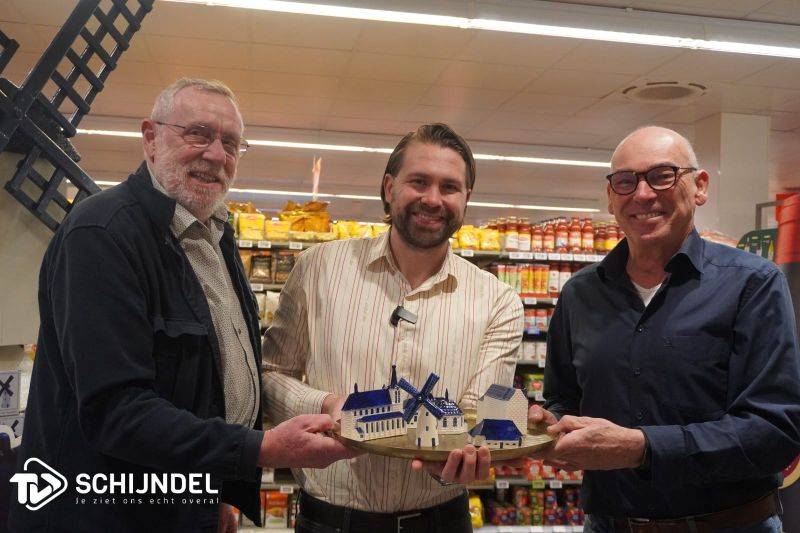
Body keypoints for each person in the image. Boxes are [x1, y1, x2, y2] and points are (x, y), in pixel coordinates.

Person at [10, 78, 356, 533]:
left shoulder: (214, 235)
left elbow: (214, 377)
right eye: (198, 134)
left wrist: (218, 491)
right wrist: (261, 449)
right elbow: (116, 411)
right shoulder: (102, 234)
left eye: (230, 143)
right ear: (150, 138)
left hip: (183, 501)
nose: (215, 155)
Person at [529, 126, 800, 531]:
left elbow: (775, 431)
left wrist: (640, 448)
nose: (642, 194)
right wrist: (545, 427)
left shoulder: (753, 284)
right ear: (610, 198)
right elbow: (564, 399)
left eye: (662, 176)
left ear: (700, 186)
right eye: (625, 181)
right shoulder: (579, 294)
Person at [262, 123, 524, 532]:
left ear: (466, 198)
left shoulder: (499, 301)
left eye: (449, 187)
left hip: (441, 520)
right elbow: (270, 373)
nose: (433, 199)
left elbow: (480, 412)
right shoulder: (319, 269)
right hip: (329, 519)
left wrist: (464, 454)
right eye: (419, 181)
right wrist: (326, 404)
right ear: (389, 187)